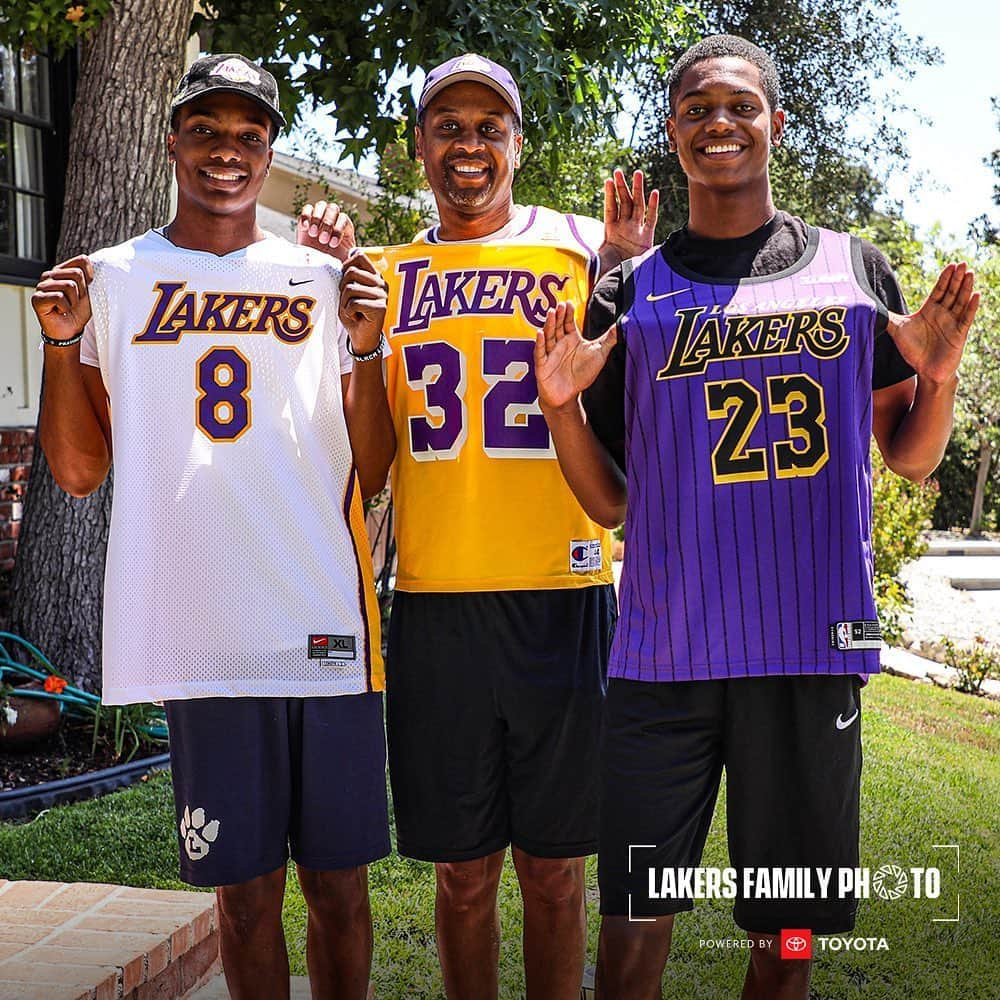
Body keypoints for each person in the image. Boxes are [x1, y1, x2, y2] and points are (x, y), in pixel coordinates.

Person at [534, 34, 979, 1000]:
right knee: (637, 915)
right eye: (698, 109)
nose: (720, 124)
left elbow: (909, 458)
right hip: (665, 649)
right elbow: (610, 501)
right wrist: (562, 405)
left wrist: (936, 378)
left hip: (811, 646)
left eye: (740, 106)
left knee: (791, 930)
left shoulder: (854, 271)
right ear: (674, 132)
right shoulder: (629, 291)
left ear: (777, 121)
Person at [32, 53, 395, 1000]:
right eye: (206, 130)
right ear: (171, 141)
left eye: (248, 134)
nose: (227, 151)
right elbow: (76, 471)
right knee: (242, 899)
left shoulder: (323, 277)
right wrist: (62, 343)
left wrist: (368, 346)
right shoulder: (112, 279)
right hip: (203, 635)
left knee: (340, 888)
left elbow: (378, 463)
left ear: (270, 148)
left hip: (322, 620)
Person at [298, 52, 657, 1000]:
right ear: (419, 147)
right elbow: (367, 469)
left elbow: (639, 397)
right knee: (462, 877)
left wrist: (623, 267)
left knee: (556, 872)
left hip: (564, 592)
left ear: (517, 144)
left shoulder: (583, 248)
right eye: (448, 126)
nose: (469, 145)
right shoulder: (381, 275)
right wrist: (357, 325)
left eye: (488, 127)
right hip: (436, 601)